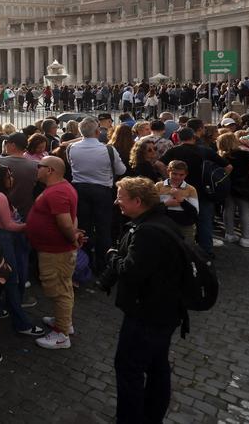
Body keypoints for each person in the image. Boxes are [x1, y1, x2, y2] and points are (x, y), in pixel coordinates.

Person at [101, 177, 187, 424]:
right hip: (165, 311)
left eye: (121, 197)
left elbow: (131, 271)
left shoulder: (147, 231)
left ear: (137, 201)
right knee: (157, 366)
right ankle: (151, 416)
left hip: (147, 314)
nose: (117, 202)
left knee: (129, 368)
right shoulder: (162, 222)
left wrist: (112, 257)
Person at [25, 156, 84, 349]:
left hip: (56, 252)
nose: (37, 169)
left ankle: (61, 335)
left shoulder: (57, 192)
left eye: (39, 166)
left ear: (49, 170)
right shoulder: (60, 188)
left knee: (59, 291)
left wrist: (72, 238)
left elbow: (66, 223)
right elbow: (73, 219)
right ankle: (63, 321)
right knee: (63, 287)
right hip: (55, 250)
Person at [0, 165, 45, 337]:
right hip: (4, 238)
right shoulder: (0, 197)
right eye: (8, 176)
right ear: (0, 179)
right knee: (11, 279)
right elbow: (9, 225)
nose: (11, 179)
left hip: (3, 237)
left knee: (1, 278)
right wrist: (29, 226)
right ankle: (21, 322)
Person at [66, 116, 125, 275]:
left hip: (79, 189)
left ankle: (84, 262)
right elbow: (121, 170)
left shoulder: (71, 148)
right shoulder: (108, 150)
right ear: (98, 132)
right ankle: (102, 265)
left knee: (83, 228)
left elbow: (71, 165)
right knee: (103, 229)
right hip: (102, 190)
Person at [154, 161, 200, 242]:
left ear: (186, 174)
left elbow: (194, 212)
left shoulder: (190, 189)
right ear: (168, 171)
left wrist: (181, 199)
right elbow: (151, 208)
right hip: (163, 226)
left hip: (184, 228)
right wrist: (166, 204)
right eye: (174, 174)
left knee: (186, 248)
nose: (178, 177)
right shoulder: (159, 186)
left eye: (181, 175)